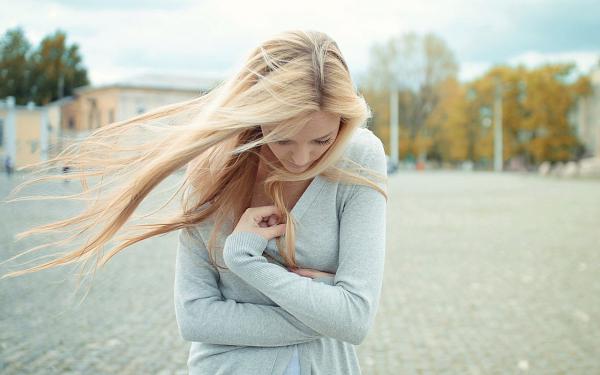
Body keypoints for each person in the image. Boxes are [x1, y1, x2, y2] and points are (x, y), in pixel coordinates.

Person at [1, 30, 388, 375]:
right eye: (283, 138)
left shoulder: (361, 157)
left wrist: (247, 263)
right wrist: (323, 309)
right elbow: (195, 316)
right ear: (258, 116)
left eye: (322, 140)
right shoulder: (212, 169)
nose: (302, 158)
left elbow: (354, 320)